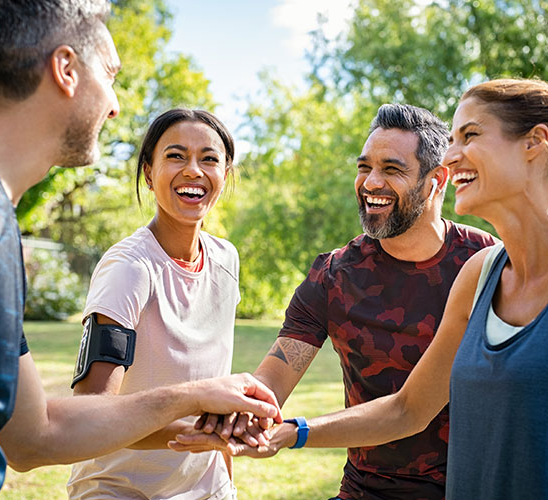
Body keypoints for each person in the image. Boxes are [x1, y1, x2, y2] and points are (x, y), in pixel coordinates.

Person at [183, 79, 548, 499]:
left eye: (471, 135)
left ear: (534, 144)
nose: (456, 151)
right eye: (364, 167)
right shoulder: (475, 275)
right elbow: (407, 409)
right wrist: (252, 421)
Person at [0, 3, 280, 500]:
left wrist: (197, 400)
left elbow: (34, 437)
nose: (115, 105)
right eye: (111, 75)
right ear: (66, 69)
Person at [177, 103, 496, 499]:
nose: (371, 183)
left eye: (391, 169)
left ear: (436, 180)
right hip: (367, 492)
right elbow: (271, 382)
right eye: (364, 167)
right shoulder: (334, 276)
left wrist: (294, 433)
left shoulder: (489, 263)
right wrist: (236, 417)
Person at [65, 109, 243, 500]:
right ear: (149, 173)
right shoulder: (128, 269)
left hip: (207, 488)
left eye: (209, 159)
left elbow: (217, 379)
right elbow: (92, 415)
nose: (193, 170)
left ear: (225, 175)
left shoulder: (226, 260)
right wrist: (201, 431)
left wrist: (225, 478)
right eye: (176, 156)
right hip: (118, 489)